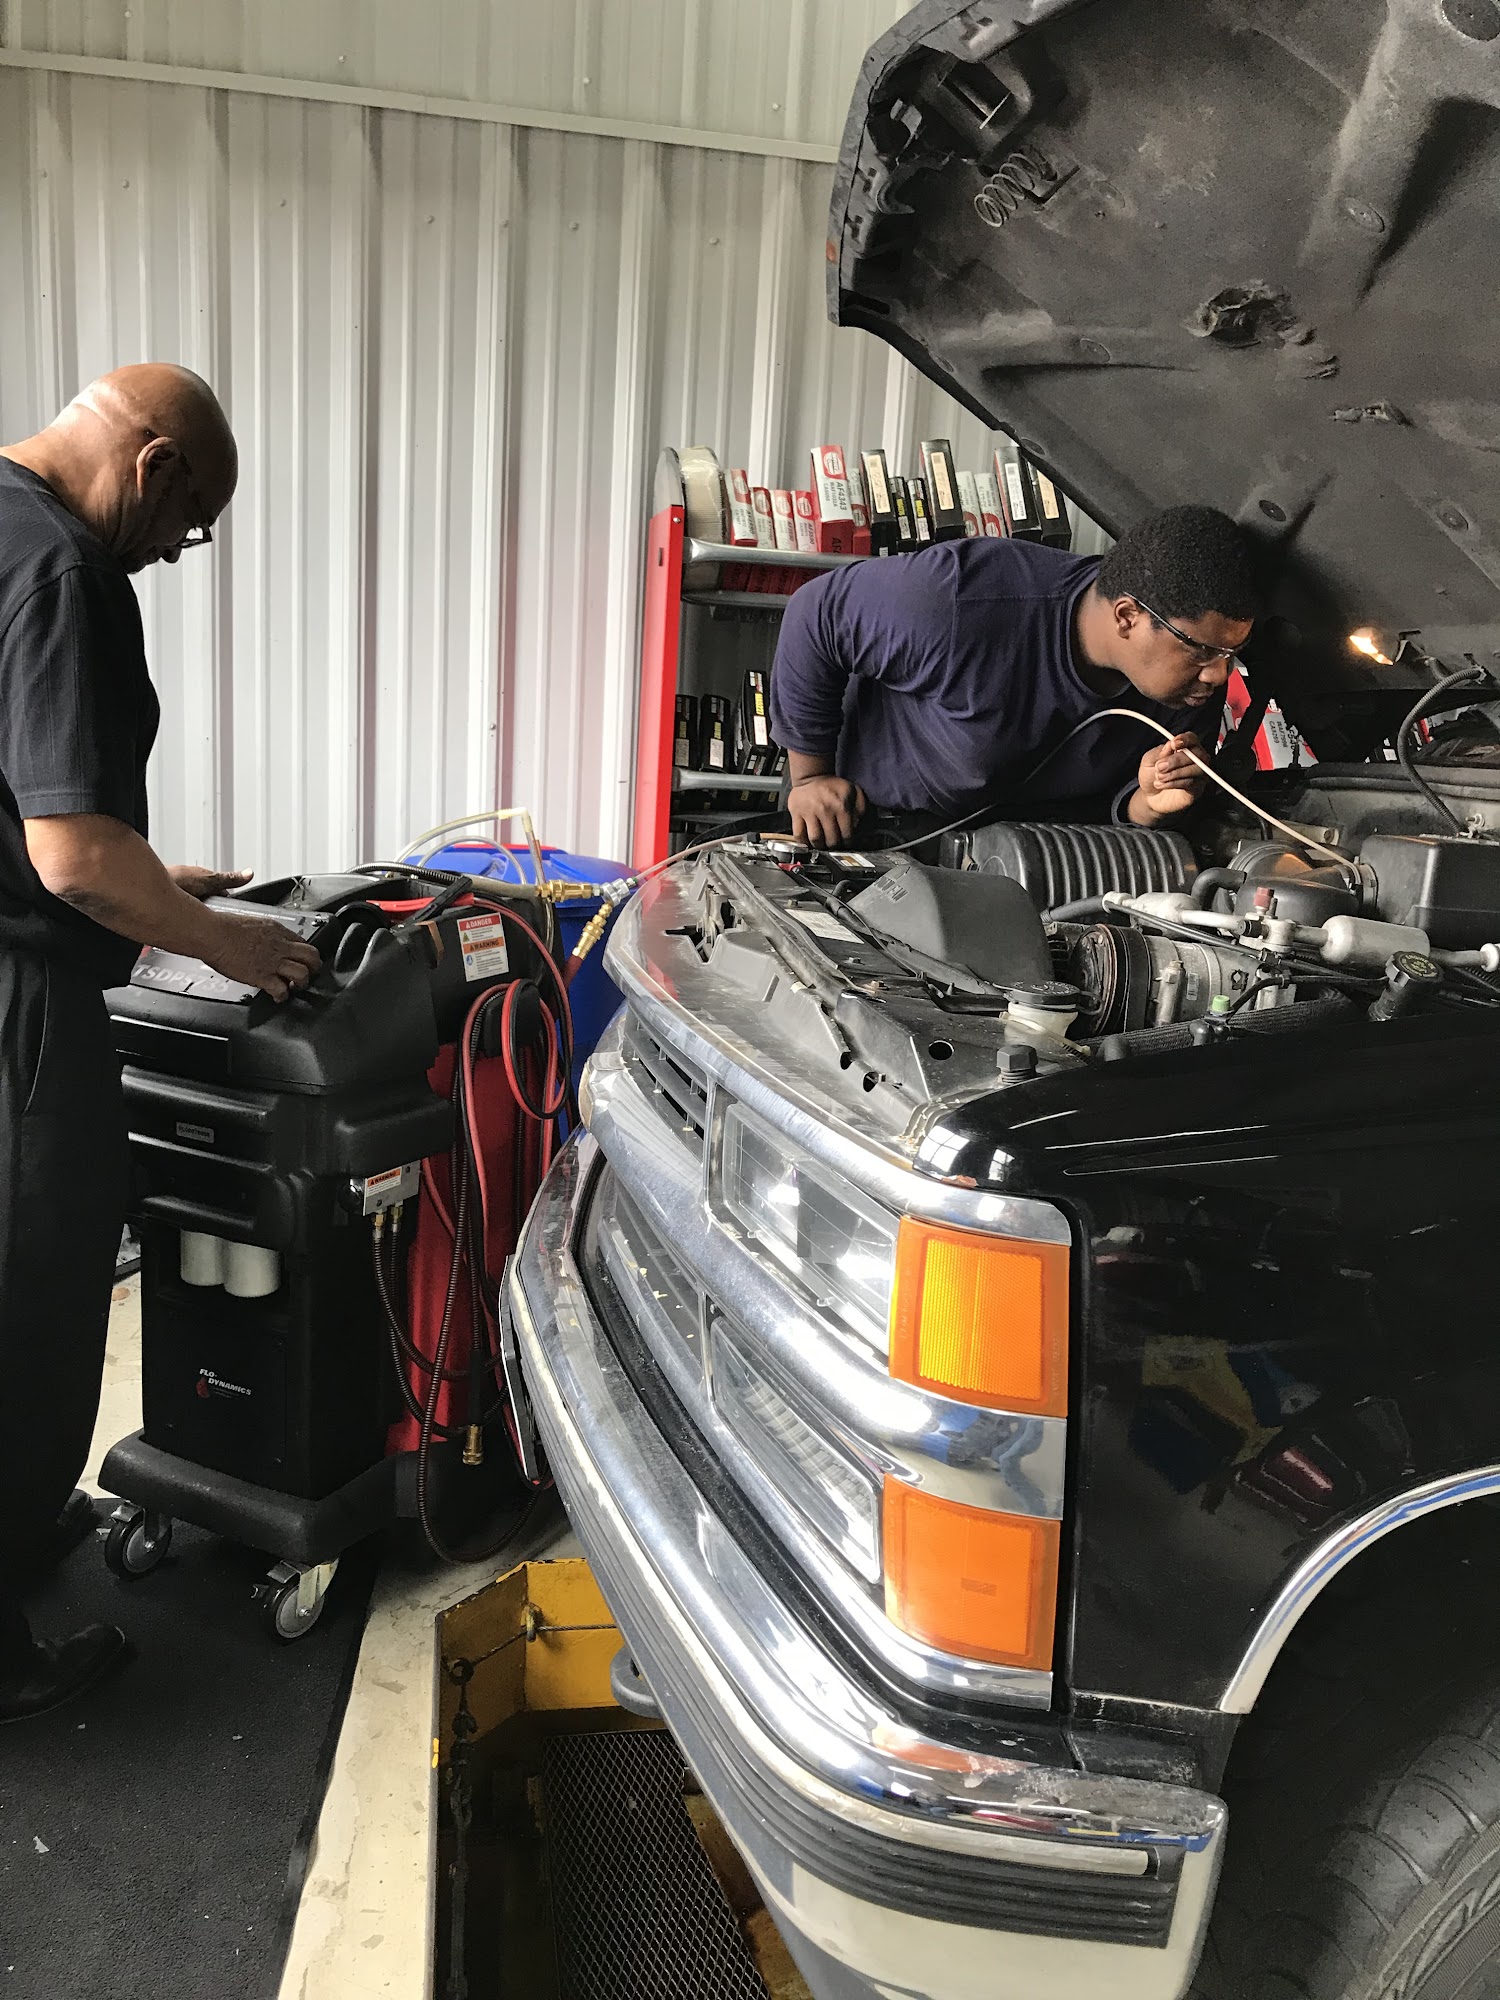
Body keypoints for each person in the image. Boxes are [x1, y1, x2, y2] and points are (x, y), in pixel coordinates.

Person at [0, 365, 321, 1722]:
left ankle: (23, 1529)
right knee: (30, 1306)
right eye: (187, 526)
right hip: (20, 1010)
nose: (176, 552)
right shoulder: (64, 569)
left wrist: (157, 883)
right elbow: (70, 857)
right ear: (155, 465)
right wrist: (219, 942)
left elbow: (35, 811)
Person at [769, 503, 1259, 847]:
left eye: (1232, 652)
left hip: (1019, 855)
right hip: (865, 824)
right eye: (1202, 650)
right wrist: (811, 777)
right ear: (1127, 617)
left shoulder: (1187, 689)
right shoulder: (962, 599)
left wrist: (1149, 802)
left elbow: (1116, 809)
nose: (1219, 674)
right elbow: (815, 614)